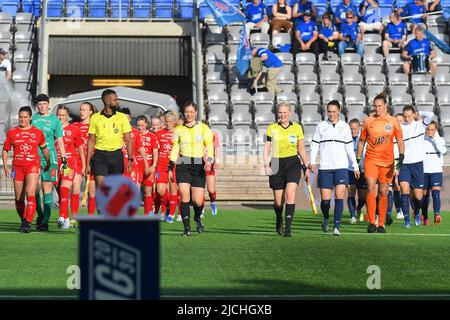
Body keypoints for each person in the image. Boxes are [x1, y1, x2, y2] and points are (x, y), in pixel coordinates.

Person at [310, 101, 359, 236]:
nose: (331, 114)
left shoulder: (345, 127)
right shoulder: (321, 126)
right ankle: (326, 218)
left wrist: (355, 166)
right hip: (325, 167)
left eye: (333, 111)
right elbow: (314, 145)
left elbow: (350, 148)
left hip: (341, 167)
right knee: (325, 201)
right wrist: (312, 162)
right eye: (329, 111)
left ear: (339, 111)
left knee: (339, 196)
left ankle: (336, 227)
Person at [357, 94, 404, 233]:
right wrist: (358, 160)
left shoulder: (393, 122)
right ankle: (372, 222)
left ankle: (381, 223)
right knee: (371, 188)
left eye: (379, 106)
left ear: (385, 106)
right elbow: (361, 141)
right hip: (370, 160)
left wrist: (400, 159)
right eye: (375, 106)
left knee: (383, 191)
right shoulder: (368, 121)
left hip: (387, 162)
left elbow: (400, 141)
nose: (377, 108)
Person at [168, 102, 214, 236]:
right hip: (183, 163)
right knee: (184, 195)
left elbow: (210, 146)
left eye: (191, 112)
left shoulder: (204, 128)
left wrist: (210, 161)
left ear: (196, 113)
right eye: (186, 112)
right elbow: (175, 148)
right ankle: (186, 228)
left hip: (198, 164)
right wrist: (170, 167)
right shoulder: (178, 129)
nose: (188, 114)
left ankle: (197, 217)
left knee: (198, 201)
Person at [264, 102, 310, 237]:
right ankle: (279, 218)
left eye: (285, 112)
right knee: (278, 203)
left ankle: (288, 228)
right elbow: (267, 147)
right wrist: (266, 165)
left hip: (293, 163)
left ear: (290, 113)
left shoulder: (297, 128)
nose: (282, 115)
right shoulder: (271, 128)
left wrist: (306, 166)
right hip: (276, 163)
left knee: (290, 194)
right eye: (280, 112)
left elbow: (301, 149)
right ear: (277, 113)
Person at [2, 106, 50, 233]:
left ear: (30, 118)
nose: (22, 119)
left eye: (25, 117)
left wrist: (48, 161)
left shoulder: (38, 132)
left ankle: (28, 222)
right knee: (18, 198)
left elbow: (44, 148)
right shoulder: (12, 132)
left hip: (33, 165)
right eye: (20, 117)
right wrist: (6, 167)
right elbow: (5, 150)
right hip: (17, 167)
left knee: (30, 193)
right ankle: (24, 220)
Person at [86, 89, 133, 204]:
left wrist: (130, 159)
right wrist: (87, 163)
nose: (117, 101)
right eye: (115, 99)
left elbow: (128, 139)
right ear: (107, 101)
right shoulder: (95, 118)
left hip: (116, 156)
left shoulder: (122, 117)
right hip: (100, 156)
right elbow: (91, 141)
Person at [31, 94, 68, 231]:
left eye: (44, 104)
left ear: (48, 104)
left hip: (50, 158)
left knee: (47, 189)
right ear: (37, 105)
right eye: (39, 104)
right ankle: (40, 214)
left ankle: (45, 222)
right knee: (33, 189)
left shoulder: (55, 121)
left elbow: (60, 141)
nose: (42, 106)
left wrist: (64, 159)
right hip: (34, 158)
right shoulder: (32, 118)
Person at [399, 106, 434, 228]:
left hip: (418, 164)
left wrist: (420, 113)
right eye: (405, 116)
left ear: (414, 114)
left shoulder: (420, 125)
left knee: (419, 196)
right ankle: (407, 221)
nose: (407, 118)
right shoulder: (401, 128)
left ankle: (416, 212)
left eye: (409, 116)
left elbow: (431, 114)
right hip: (404, 164)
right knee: (404, 189)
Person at [55, 106, 85, 229]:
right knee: (60, 191)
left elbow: (80, 148)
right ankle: (66, 219)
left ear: (67, 116)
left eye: (63, 115)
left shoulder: (74, 129)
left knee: (67, 188)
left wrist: (83, 166)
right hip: (55, 163)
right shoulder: (52, 129)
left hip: (69, 163)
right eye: (59, 115)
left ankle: (66, 217)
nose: (61, 117)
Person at [72, 102, 98, 216]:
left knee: (92, 192)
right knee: (75, 188)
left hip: (91, 161)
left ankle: (90, 217)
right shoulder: (75, 126)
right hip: (77, 161)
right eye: (81, 109)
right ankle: (74, 217)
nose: (82, 112)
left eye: (84, 109)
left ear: (90, 112)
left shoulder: (95, 126)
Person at [155, 111, 180, 223]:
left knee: (173, 189)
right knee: (160, 190)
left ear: (174, 122)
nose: (168, 123)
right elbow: (155, 149)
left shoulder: (179, 133)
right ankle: (170, 205)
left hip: (174, 165)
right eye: (167, 121)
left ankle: (171, 214)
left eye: (170, 121)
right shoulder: (159, 133)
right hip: (161, 165)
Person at [422, 121, 446, 225]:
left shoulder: (440, 139)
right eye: (428, 129)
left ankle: (437, 215)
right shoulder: (422, 140)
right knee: (424, 195)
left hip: (436, 170)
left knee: (436, 194)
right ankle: (425, 216)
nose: (429, 131)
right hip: (424, 170)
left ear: (435, 130)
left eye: (432, 129)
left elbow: (443, 151)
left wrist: (434, 139)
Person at [135, 115, 158, 216]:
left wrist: (153, 166)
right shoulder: (135, 135)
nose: (140, 128)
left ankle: (147, 215)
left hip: (149, 167)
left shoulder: (152, 136)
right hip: (137, 168)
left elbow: (155, 153)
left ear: (146, 125)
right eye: (138, 125)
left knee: (147, 193)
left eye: (142, 125)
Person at [386, 113, 405, 224]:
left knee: (398, 187)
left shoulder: (405, 132)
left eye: (400, 120)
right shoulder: (390, 132)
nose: (398, 122)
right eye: (397, 120)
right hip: (389, 163)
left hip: (402, 163)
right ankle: (388, 215)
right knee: (389, 188)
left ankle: (399, 210)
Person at [347, 118, 367, 224]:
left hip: (362, 170)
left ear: (359, 128)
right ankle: (352, 216)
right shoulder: (346, 138)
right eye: (351, 129)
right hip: (349, 169)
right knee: (351, 191)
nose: (353, 131)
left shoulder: (363, 138)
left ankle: (359, 208)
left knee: (363, 195)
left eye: (355, 129)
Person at [120, 108, 148, 184]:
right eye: (122, 119)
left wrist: (146, 165)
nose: (124, 121)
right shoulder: (116, 132)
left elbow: (142, 149)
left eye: (126, 118)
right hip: (119, 164)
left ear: (129, 119)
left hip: (131, 164)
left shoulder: (136, 133)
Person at [203, 127, 221, 217]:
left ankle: (213, 202)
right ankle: (200, 208)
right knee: (200, 188)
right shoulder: (195, 135)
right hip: (198, 164)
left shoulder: (213, 135)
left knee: (211, 190)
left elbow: (216, 148)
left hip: (210, 165)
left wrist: (216, 161)